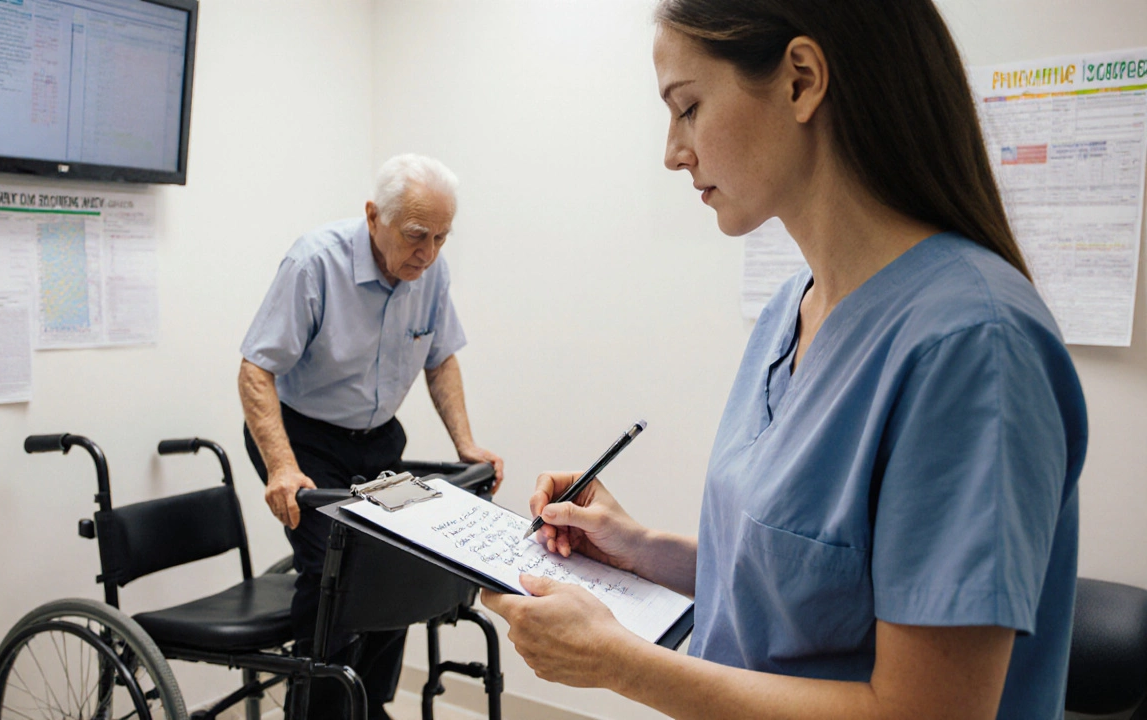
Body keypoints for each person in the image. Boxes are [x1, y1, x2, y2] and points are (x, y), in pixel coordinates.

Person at [481, 1, 1087, 718]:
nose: (673, 151)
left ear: (801, 79)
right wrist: (640, 549)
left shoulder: (972, 347)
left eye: (688, 108)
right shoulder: (791, 311)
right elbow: (804, 592)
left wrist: (620, 663)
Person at [239, 153, 503, 719]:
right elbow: (255, 370)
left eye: (441, 237)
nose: (427, 253)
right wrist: (283, 468)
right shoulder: (315, 263)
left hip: (378, 440)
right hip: (303, 439)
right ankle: (318, 711)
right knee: (335, 569)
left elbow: (441, 358)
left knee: (400, 558)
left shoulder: (430, 271)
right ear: (372, 217)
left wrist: (467, 445)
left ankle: (368, 703)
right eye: (415, 235)